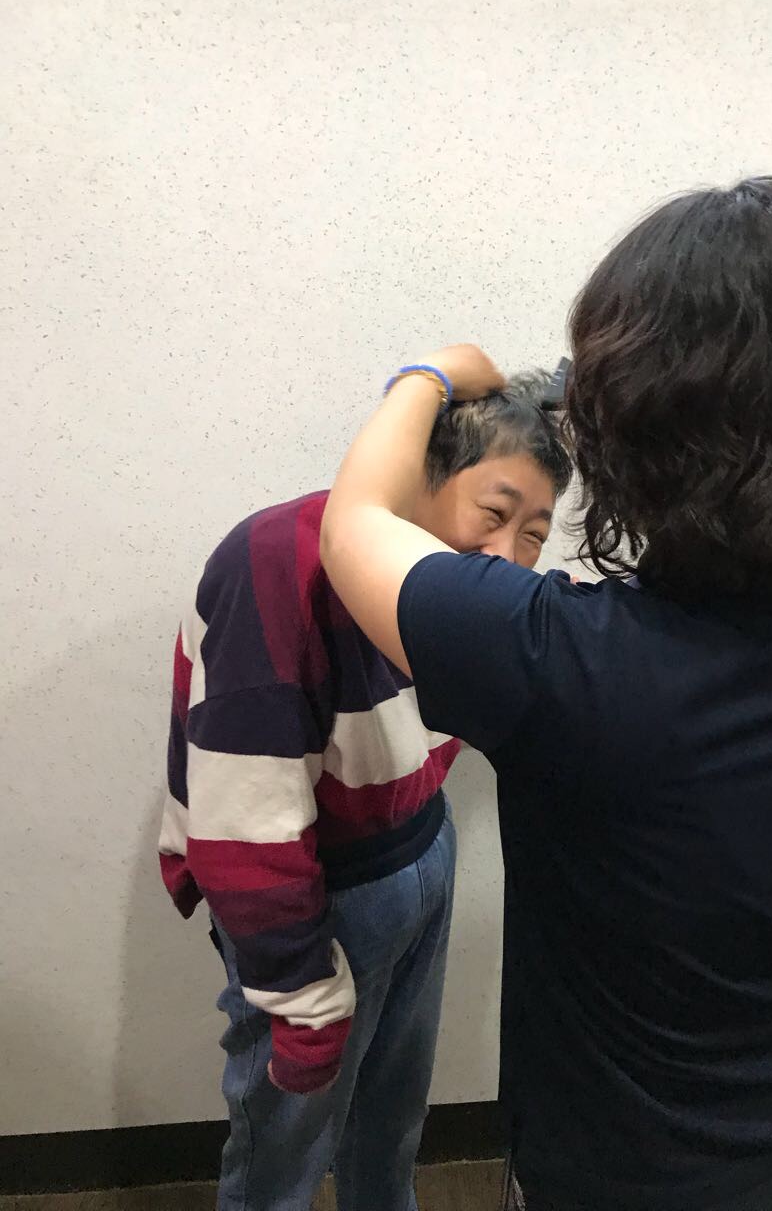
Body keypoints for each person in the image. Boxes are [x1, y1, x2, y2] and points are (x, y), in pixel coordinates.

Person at [318, 179, 772, 1211]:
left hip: (610, 1170)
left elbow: (354, 521)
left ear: (630, 436)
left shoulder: (549, 657)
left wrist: (430, 373)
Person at [157, 372, 572, 1211]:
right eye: (492, 514)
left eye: (534, 534)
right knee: (285, 1151)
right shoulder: (276, 560)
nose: (508, 557)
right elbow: (244, 816)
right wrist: (302, 999)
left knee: (390, 1124)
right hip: (313, 893)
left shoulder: (456, 602)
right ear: (420, 474)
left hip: (422, 842)